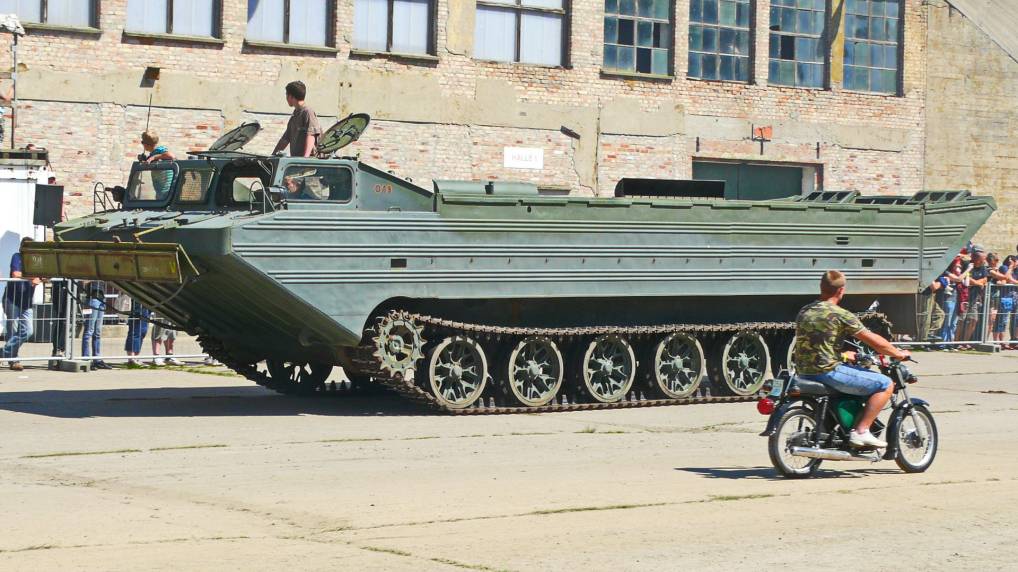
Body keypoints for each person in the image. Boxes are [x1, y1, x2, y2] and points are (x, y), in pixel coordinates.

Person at [792, 270, 911, 448]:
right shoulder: (840, 314)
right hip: (827, 372)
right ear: (841, 290)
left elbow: (816, 343)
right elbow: (873, 340)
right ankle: (861, 431)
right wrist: (897, 353)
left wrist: (843, 355)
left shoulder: (805, 310)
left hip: (804, 371)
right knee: (885, 384)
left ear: (821, 287)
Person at [1, 238, 40, 371]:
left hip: (26, 301)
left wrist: (42, 277)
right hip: (12, 300)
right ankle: (14, 361)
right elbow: (16, 273)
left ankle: (4, 353)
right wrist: (32, 277)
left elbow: (46, 275)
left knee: (28, 331)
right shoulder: (17, 257)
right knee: (12, 330)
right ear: (22, 248)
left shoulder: (36, 261)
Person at [272, 81, 322, 158]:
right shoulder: (295, 115)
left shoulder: (308, 112)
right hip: (296, 160)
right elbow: (285, 139)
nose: (286, 98)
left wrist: (305, 159)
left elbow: (311, 135)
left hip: (308, 162)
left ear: (291, 96)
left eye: (286, 95)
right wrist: (273, 156)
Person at [959, 246, 989, 343]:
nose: (984, 261)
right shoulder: (968, 265)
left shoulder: (983, 267)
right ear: (976, 259)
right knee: (961, 320)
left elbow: (985, 279)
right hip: (964, 297)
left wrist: (976, 282)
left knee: (973, 320)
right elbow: (967, 278)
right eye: (982, 259)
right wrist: (978, 283)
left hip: (974, 298)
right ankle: (956, 342)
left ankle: (965, 342)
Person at [81, 280, 111, 369]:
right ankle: (86, 359)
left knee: (97, 332)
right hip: (92, 299)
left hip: (101, 299)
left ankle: (97, 359)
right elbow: (83, 282)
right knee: (89, 331)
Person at [140, 131, 176, 198]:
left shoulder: (159, 150)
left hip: (167, 189)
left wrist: (153, 157)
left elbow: (171, 156)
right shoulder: (153, 153)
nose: (142, 145)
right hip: (160, 188)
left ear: (147, 144)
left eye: (142, 142)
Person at [124, 299, 150, 366]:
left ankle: (136, 357)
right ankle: (131, 358)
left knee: (142, 331)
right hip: (136, 305)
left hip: (146, 305)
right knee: (135, 332)